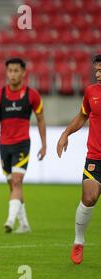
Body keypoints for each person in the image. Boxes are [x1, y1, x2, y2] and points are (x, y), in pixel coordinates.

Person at [0, 58, 47, 233]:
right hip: (4, 146)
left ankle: (10, 221)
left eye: (16, 71)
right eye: (10, 70)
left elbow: (41, 120)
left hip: (22, 144)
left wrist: (44, 144)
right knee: (13, 185)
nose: (12, 74)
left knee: (17, 182)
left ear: (23, 72)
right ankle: (24, 224)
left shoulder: (32, 95)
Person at [57, 54, 101, 265]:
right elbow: (83, 116)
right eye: (97, 70)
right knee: (90, 197)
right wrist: (66, 133)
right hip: (96, 157)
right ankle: (78, 241)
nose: (99, 74)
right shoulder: (91, 92)